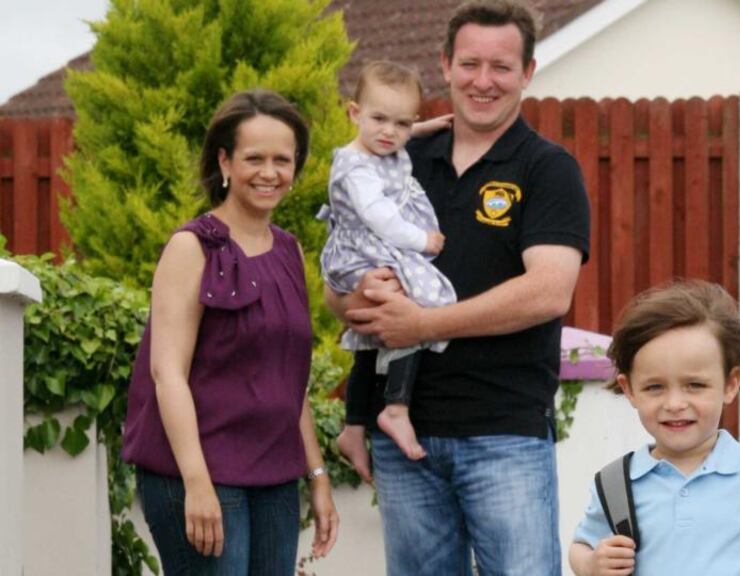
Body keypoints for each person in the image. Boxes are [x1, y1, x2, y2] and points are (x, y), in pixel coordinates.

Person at [326, 1, 591, 573]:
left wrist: (423, 324)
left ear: (527, 72)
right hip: (404, 439)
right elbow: (335, 290)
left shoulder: (547, 169)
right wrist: (359, 294)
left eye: (501, 67)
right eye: (470, 64)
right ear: (445, 65)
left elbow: (548, 292)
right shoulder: (397, 159)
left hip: (505, 435)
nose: (483, 81)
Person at [121, 89, 339, 575]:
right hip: (200, 474)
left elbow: (290, 380)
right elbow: (167, 374)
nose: (269, 172)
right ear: (224, 161)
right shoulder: (191, 248)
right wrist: (197, 483)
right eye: (254, 158)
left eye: (283, 160)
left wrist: (318, 476)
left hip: (275, 477)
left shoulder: (288, 251)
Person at [568, 280, 740, 576]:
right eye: (655, 387)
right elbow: (581, 545)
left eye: (695, 385)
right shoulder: (616, 485)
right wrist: (590, 565)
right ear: (629, 389)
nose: (675, 403)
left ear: (730, 384)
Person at [321, 61, 456, 463]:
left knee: (370, 337)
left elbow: (395, 128)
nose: (389, 133)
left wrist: (424, 128)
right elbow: (379, 216)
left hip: (369, 248)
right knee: (416, 304)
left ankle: (353, 426)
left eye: (402, 124)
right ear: (354, 113)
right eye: (379, 119)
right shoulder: (357, 168)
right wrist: (421, 240)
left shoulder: (382, 144)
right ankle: (396, 407)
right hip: (366, 248)